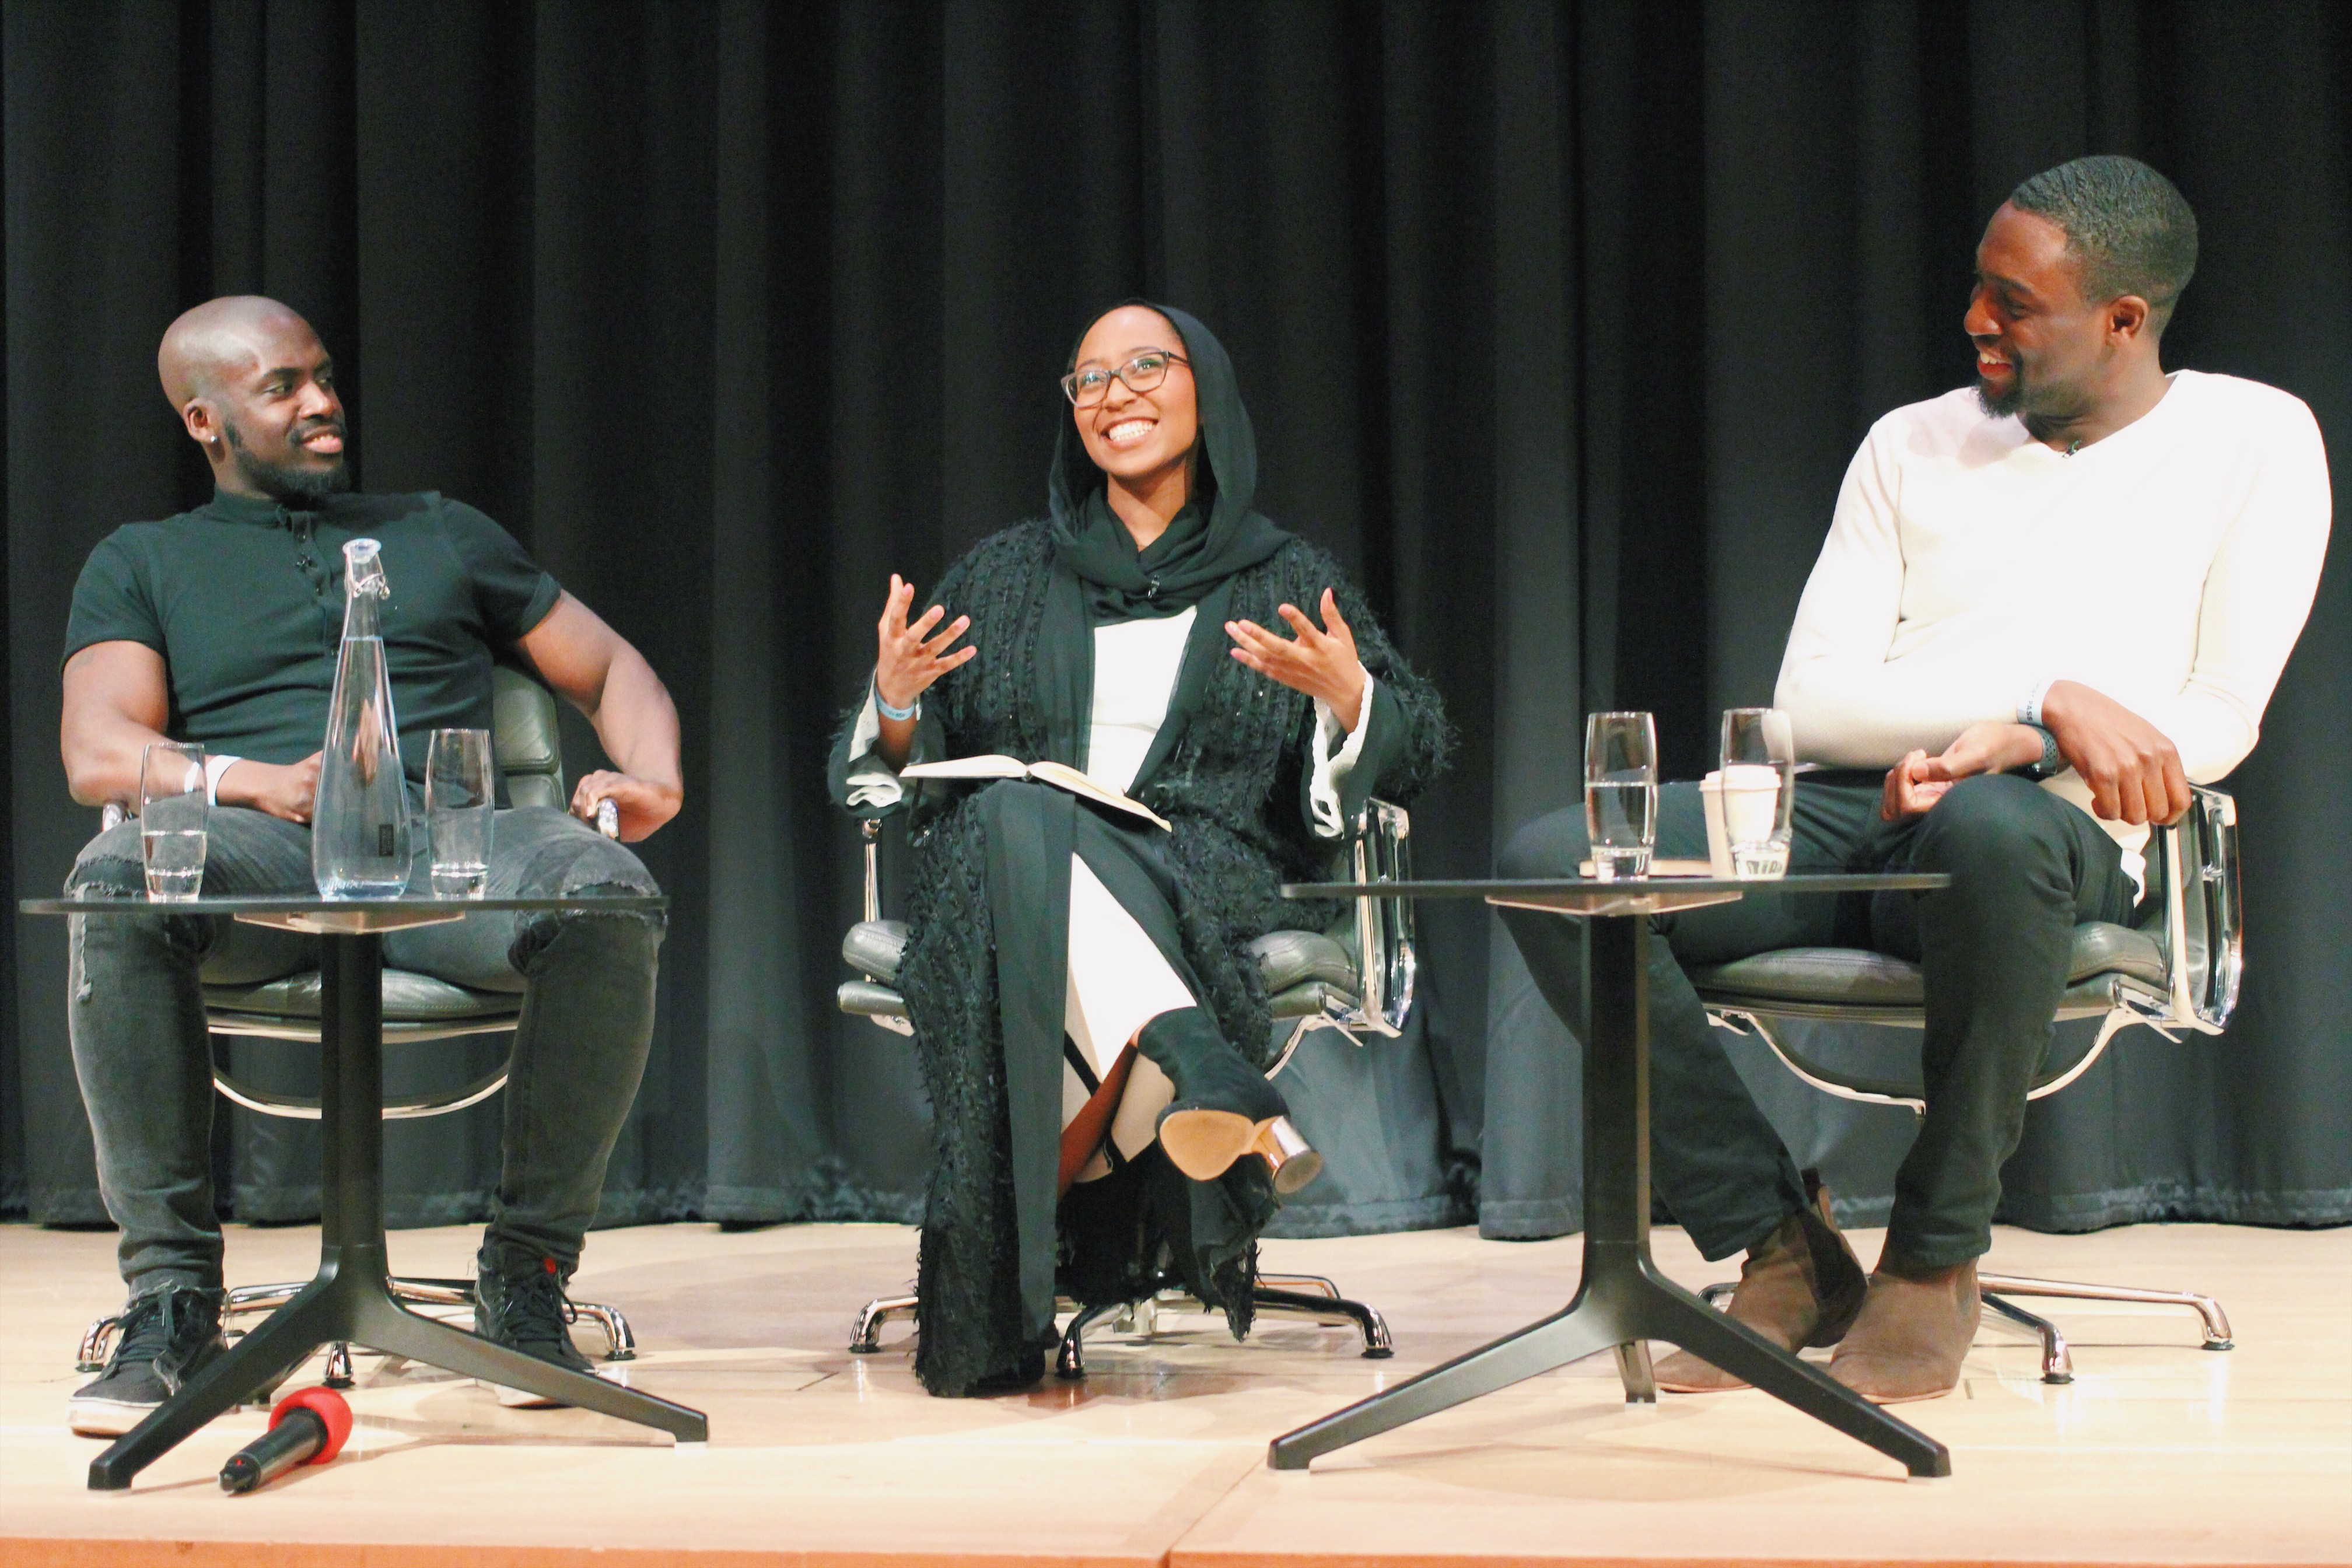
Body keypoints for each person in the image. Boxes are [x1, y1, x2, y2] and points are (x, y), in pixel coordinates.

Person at [1499, 155, 2330, 1403]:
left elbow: (2217, 715)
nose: (1975, 322)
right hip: (1855, 807)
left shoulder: (2254, 436)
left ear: (2123, 320)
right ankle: (1779, 1244)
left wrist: (2036, 751)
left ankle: (1937, 1257)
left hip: (2055, 826)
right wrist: (2037, 699)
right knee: (1553, 864)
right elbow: (1813, 704)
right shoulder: (1912, 443)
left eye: (2013, 302)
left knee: (1995, 827)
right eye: (1977, 290)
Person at [61, 296, 684, 1436]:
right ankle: (172, 1304)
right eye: (282, 388)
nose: (323, 404)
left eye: (325, 378)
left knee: (606, 889)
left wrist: (650, 777)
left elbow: (612, 670)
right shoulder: (145, 559)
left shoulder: (442, 529)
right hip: (269, 851)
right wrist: (253, 780)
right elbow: (99, 745)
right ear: (205, 421)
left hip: (448, 843)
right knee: (116, 882)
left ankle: (528, 1280)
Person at [830, 302, 1450, 1396]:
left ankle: (997, 1303)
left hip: (1205, 873)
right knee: (1018, 815)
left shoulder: (1283, 576)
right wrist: (891, 702)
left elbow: (1419, 745)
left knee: (1022, 820)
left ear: (1204, 390)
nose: (1115, 396)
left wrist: (1351, 698)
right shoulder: (1005, 574)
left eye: (1145, 369)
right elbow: (899, 771)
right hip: (1008, 877)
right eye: (1089, 382)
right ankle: (1204, 1065)